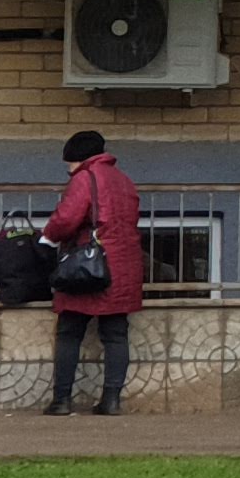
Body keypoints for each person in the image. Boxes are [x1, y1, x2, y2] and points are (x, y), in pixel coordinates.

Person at [43, 128, 144, 417]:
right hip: (123, 266)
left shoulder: (85, 178)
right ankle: (111, 401)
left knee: (69, 331)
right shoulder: (124, 181)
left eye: (69, 163)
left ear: (78, 158)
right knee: (116, 334)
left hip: (88, 266)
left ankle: (61, 400)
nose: (68, 169)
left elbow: (67, 218)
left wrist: (48, 237)